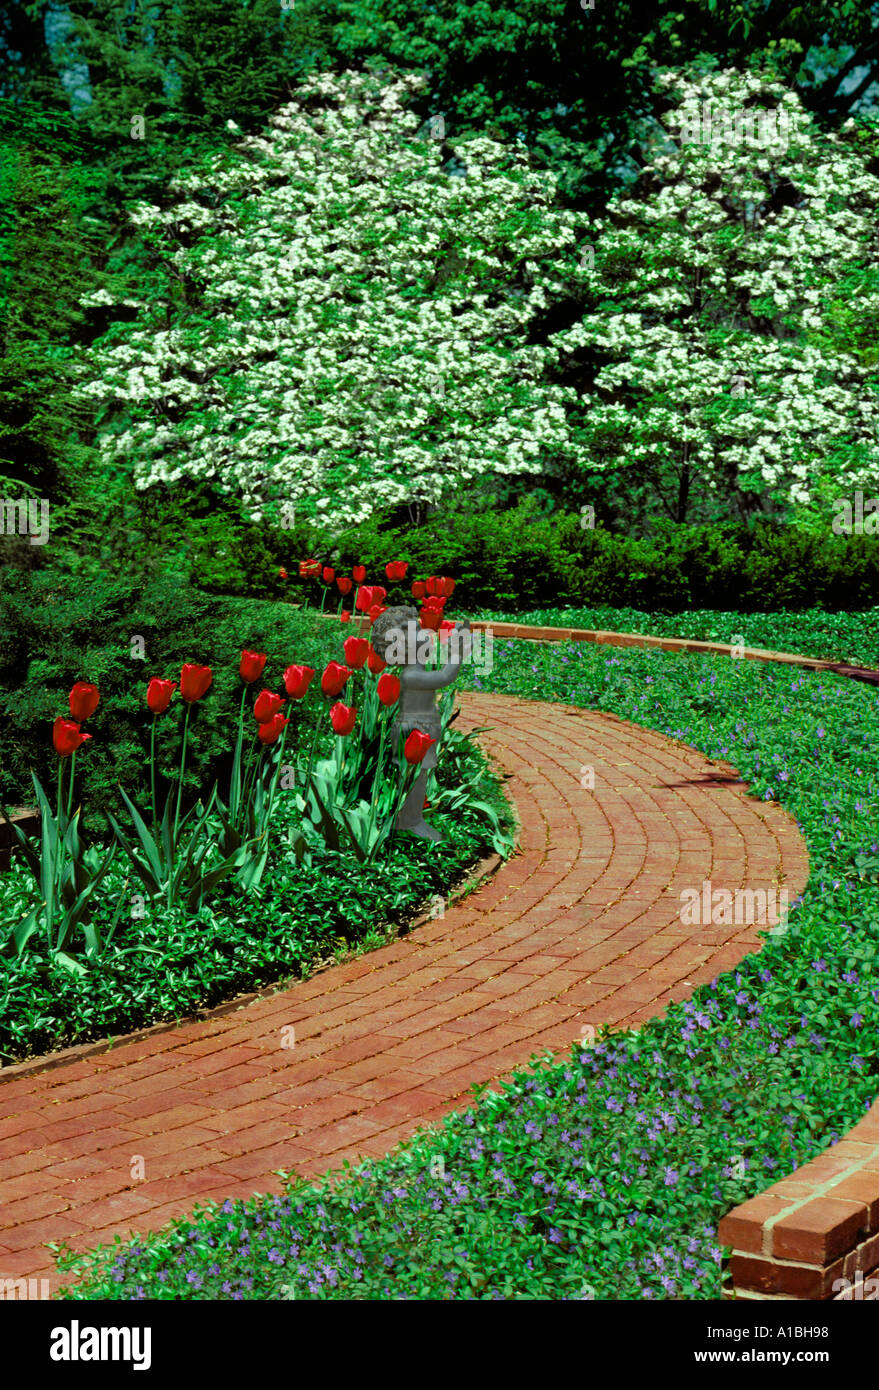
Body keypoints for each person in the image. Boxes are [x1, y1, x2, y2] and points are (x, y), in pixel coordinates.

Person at [370, 605, 471, 841]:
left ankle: (413, 818)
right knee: (412, 777)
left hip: (423, 728)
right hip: (413, 730)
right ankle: (408, 821)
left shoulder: (415, 670)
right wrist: (458, 649)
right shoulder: (410, 675)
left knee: (419, 776)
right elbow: (446, 676)